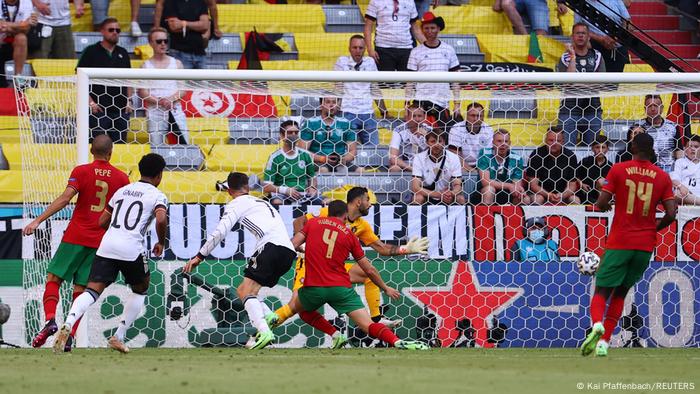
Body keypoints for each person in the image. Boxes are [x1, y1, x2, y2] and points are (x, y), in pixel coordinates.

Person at [22, 135, 130, 352]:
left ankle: (50, 320)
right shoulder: (121, 178)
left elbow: (65, 199)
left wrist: (38, 220)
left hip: (75, 236)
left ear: (92, 150)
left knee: (54, 278)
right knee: (81, 289)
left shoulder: (81, 171)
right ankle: (69, 334)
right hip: (100, 241)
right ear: (110, 153)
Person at [52, 153, 169, 354]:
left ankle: (69, 322)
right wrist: (161, 241)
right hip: (131, 248)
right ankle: (119, 336)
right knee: (141, 287)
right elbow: (160, 218)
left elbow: (101, 222)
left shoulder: (122, 191)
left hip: (106, 245)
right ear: (159, 176)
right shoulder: (157, 196)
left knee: (92, 290)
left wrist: (114, 230)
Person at [270, 186, 429, 328]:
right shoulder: (328, 212)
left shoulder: (362, 225)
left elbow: (382, 248)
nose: (371, 204)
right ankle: (261, 332)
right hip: (310, 265)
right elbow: (299, 221)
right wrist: (302, 244)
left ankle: (376, 318)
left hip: (334, 268)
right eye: (368, 200)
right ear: (358, 202)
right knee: (294, 306)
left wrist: (406, 249)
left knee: (368, 274)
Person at [581, 133, 676, 357]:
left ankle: (597, 325)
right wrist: (653, 229)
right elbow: (671, 213)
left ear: (633, 147)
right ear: (651, 150)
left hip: (620, 240)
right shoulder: (662, 176)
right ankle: (604, 343)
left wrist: (605, 206)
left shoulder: (619, 169)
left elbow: (601, 202)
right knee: (621, 293)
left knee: (602, 290)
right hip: (644, 246)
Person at [184, 172, 297, 350]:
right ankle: (270, 316)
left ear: (229, 191)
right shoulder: (262, 202)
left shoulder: (236, 203)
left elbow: (220, 232)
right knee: (250, 291)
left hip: (270, 247)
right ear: (248, 187)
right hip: (288, 251)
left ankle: (264, 332)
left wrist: (200, 256)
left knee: (244, 291)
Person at [76, 18, 132, 143]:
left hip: (121, 109)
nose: (115, 32)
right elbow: (79, 78)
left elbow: (128, 79)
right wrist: (91, 103)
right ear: (102, 31)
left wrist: (129, 101)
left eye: (118, 30)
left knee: (120, 146)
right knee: (98, 145)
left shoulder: (123, 53)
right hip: (98, 109)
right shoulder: (91, 51)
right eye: (111, 30)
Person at [406, 12, 461, 131]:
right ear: (422, 30)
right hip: (421, 103)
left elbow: (456, 80)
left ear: (438, 28)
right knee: (419, 138)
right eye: (426, 28)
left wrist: (457, 104)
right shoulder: (415, 52)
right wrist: (406, 104)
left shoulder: (449, 50)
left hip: (442, 103)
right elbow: (410, 81)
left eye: (432, 27)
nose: (429, 31)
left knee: (441, 139)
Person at [333, 35, 389, 146]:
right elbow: (338, 88)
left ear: (365, 49)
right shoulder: (342, 61)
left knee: (374, 148)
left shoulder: (370, 62)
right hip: (347, 112)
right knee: (350, 147)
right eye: (354, 47)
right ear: (349, 48)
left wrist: (384, 111)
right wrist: (336, 109)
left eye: (360, 48)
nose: (357, 50)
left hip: (367, 112)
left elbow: (374, 88)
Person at [137, 27, 189, 146]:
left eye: (165, 41)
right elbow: (143, 92)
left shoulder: (177, 63)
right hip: (154, 111)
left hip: (175, 109)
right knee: (156, 147)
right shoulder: (145, 66)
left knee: (184, 145)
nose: (163, 44)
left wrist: (169, 100)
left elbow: (183, 89)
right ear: (151, 43)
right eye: (159, 41)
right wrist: (161, 102)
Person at [557, 23, 605, 147]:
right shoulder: (565, 58)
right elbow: (567, 83)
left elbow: (601, 83)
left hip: (593, 110)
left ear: (589, 37)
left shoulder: (597, 56)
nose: (580, 36)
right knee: (567, 151)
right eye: (577, 33)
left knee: (592, 153)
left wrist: (576, 84)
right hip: (569, 110)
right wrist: (572, 56)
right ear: (572, 36)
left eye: (583, 33)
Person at [262, 119, 324, 206]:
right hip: (281, 195)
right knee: (277, 202)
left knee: (326, 202)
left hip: (302, 194)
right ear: (282, 136)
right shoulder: (275, 158)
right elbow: (266, 186)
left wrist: (312, 187)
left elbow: (312, 177)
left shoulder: (305, 155)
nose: (294, 135)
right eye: (290, 132)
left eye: (296, 132)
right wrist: (286, 190)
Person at [300, 97, 360, 173]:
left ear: (338, 105)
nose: (331, 105)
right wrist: (323, 159)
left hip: (339, 161)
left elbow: (353, 150)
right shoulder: (311, 123)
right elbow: (302, 151)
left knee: (361, 171)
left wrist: (344, 159)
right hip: (318, 161)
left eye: (334, 102)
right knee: (324, 170)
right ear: (321, 105)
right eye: (328, 102)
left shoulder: (346, 123)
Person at [364, 0, 425, 72]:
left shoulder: (410, 1)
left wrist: (428, 46)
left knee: (407, 82)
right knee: (386, 82)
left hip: (406, 48)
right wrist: (370, 49)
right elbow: (368, 27)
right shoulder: (376, 1)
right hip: (383, 48)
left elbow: (416, 29)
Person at [526, 127, 581, 205]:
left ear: (563, 142)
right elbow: (533, 185)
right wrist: (548, 195)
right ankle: (536, 217)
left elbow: (572, 185)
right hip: (541, 193)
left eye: (558, 141)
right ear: (545, 141)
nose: (554, 143)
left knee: (575, 199)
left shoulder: (570, 156)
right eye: (551, 140)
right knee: (537, 199)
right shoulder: (537, 155)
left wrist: (561, 195)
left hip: (563, 194)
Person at [410, 130, 466, 205]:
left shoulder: (454, 158)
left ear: (444, 143)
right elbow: (415, 187)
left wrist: (451, 193)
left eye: (440, 141)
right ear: (427, 143)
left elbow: (457, 184)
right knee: (417, 198)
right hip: (427, 194)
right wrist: (439, 195)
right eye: (433, 141)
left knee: (460, 199)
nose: (437, 144)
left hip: (447, 194)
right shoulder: (419, 158)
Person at [476, 129, 530, 205]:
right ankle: (486, 216)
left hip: (507, 193)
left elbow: (516, 183)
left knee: (524, 198)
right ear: (493, 143)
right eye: (499, 141)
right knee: (489, 190)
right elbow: (485, 182)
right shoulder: (485, 154)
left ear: (510, 143)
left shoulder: (517, 158)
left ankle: (514, 216)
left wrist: (518, 189)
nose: (503, 144)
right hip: (484, 192)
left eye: (506, 141)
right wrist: (509, 186)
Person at [574, 0, 630, 72]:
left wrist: (616, 37)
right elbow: (578, 28)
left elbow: (627, 22)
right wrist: (600, 39)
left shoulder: (617, 1)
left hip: (617, 46)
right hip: (595, 47)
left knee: (616, 79)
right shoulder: (581, 3)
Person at [639, 94, 691, 172]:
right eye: (649, 106)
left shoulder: (672, 126)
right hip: (646, 170)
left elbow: (679, 151)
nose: (653, 109)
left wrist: (680, 171)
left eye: (656, 106)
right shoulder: (639, 126)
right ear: (645, 109)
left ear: (662, 108)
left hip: (669, 170)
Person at [160, 0, 210, 69]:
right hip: (179, 52)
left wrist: (184, 24)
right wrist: (197, 26)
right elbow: (174, 26)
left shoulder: (200, 2)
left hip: (200, 53)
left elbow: (205, 26)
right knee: (182, 80)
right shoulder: (171, 2)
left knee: (204, 79)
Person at [448, 102, 494, 171]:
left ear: (483, 117)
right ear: (467, 116)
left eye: (479, 116)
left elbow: (487, 155)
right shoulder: (456, 128)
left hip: (482, 166)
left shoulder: (488, 130)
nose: (476, 119)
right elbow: (455, 155)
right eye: (473, 115)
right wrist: (470, 170)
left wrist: (480, 171)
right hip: (460, 166)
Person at [0, 0, 36, 87]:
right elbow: (0, 25)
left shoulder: (26, 2)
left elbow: (26, 28)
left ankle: (18, 76)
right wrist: (21, 24)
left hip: (15, 43)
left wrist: (7, 27)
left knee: (22, 38)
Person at [388, 103, 429, 172]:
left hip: (424, 165)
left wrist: (427, 136)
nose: (417, 119)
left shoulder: (429, 130)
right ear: (407, 118)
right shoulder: (399, 131)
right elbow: (393, 158)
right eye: (413, 116)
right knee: (394, 168)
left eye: (420, 116)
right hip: (405, 165)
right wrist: (413, 169)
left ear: (424, 118)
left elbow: (438, 154)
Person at [576, 135, 612, 205]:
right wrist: (581, 184)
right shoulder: (585, 161)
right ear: (592, 148)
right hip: (584, 195)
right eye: (597, 147)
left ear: (607, 149)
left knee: (602, 181)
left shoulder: (610, 166)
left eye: (603, 147)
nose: (600, 150)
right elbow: (574, 175)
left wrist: (602, 184)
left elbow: (611, 183)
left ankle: (600, 203)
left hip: (601, 195)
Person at [671, 135, 700, 205]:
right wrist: (681, 186)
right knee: (676, 193)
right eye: (690, 146)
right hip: (685, 195)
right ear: (685, 149)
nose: (693, 149)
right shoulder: (679, 162)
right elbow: (673, 180)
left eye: (696, 147)